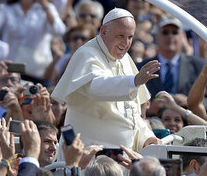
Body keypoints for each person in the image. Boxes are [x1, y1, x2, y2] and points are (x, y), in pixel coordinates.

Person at [51, 8, 160, 151]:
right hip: (89, 156)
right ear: (103, 31)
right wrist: (133, 81)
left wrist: (147, 136)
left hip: (122, 157)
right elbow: (96, 88)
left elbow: (131, 112)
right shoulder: (87, 54)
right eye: (120, 35)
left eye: (130, 37)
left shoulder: (125, 59)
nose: (125, 43)